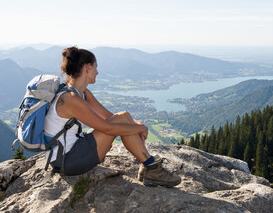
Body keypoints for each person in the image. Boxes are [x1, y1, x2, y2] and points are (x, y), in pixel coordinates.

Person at [44, 46, 181, 187]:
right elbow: (108, 128)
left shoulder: (81, 93)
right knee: (124, 121)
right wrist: (140, 128)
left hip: (73, 151)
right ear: (87, 67)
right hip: (67, 161)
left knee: (125, 116)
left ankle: (148, 165)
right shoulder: (71, 99)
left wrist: (135, 124)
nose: (97, 72)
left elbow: (108, 116)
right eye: (96, 67)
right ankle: (151, 168)